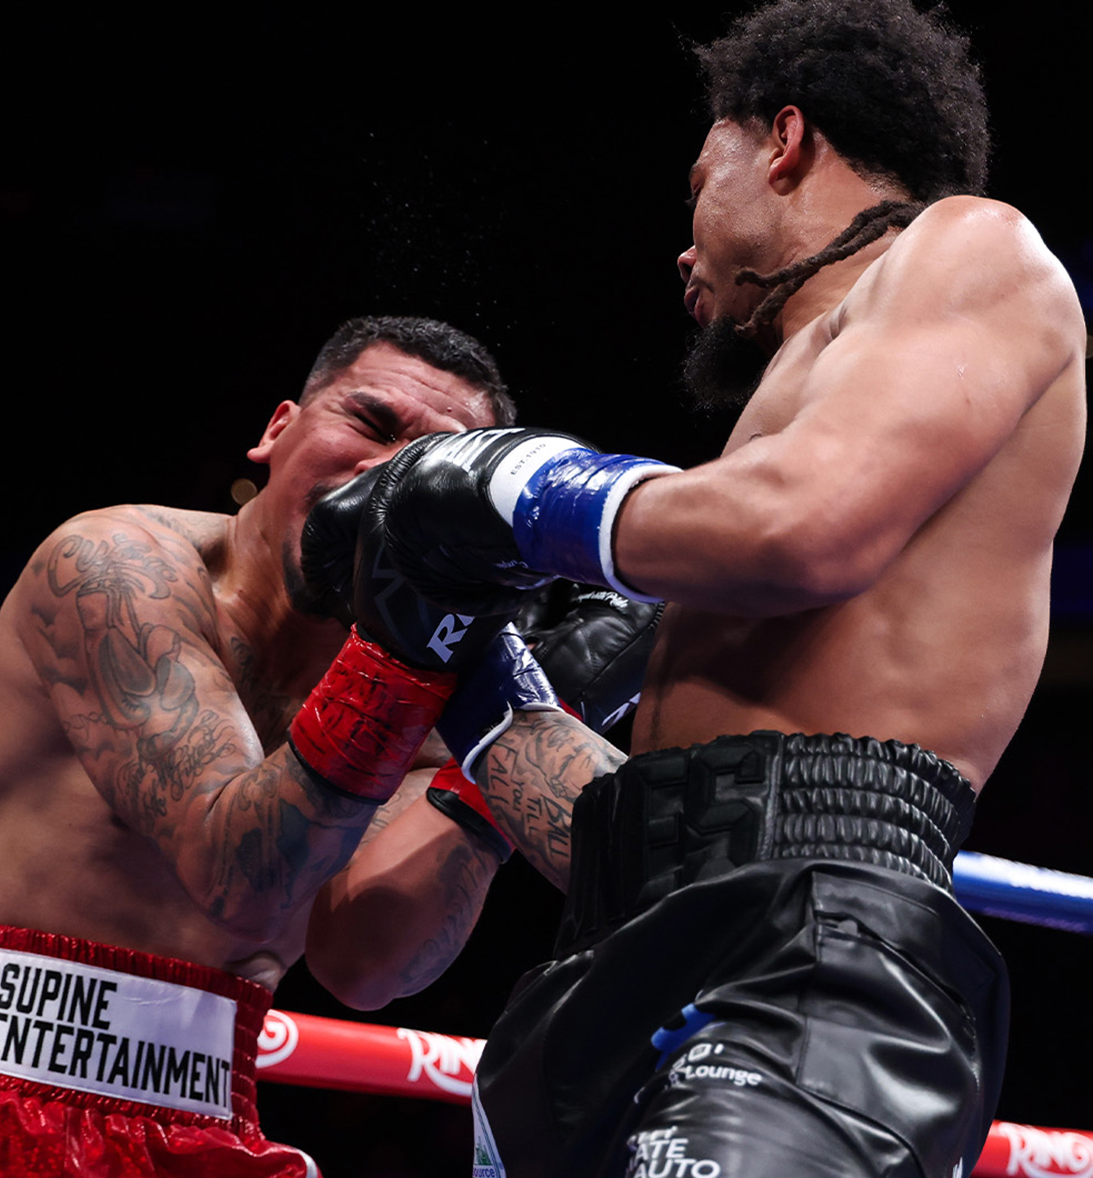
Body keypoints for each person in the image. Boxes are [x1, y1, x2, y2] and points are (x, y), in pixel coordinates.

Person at [355, 2, 1088, 1175]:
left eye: (704, 176)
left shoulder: (968, 250)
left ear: (784, 142)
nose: (683, 248)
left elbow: (806, 533)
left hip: (811, 954)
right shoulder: (765, 439)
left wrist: (494, 480)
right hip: (624, 954)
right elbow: (656, 827)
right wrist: (477, 663)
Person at [0, 315, 522, 1177]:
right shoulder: (117, 567)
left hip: (206, 1121)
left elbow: (369, 966)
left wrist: (500, 748)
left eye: (428, 470)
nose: (384, 475)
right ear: (277, 430)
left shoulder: (407, 684)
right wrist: (412, 665)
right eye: (369, 425)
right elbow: (238, 872)